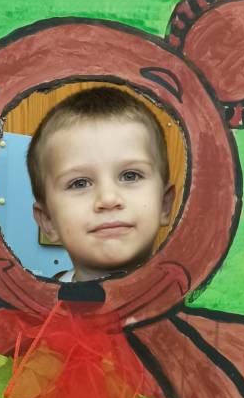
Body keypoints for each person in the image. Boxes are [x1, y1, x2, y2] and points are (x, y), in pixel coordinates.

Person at [26, 86, 175, 282]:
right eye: (80, 183)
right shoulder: (33, 301)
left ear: (164, 205)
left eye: (130, 176)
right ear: (48, 221)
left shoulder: (199, 297)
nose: (108, 199)